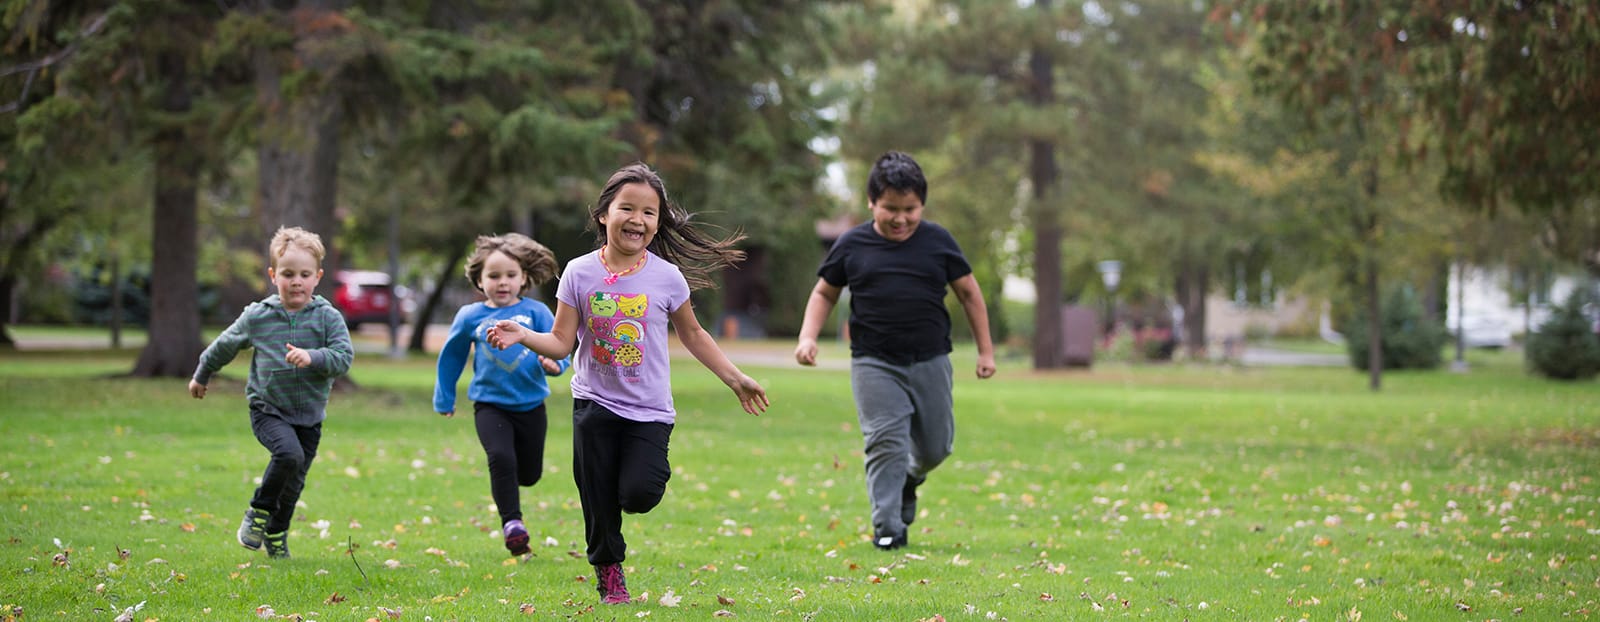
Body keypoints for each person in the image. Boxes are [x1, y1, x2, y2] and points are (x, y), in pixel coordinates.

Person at [486, 163, 769, 605]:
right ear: (604, 214)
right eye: (627, 208)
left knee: (638, 493)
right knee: (596, 495)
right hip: (594, 403)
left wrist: (735, 378)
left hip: (649, 409)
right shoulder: (579, 273)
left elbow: (693, 334)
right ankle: (610, 575)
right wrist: (523, 336)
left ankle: (623, 492)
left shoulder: (666, 277)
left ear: (658, 223)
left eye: (650, 213)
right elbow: (561, 342)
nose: (638, 219)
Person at [793, 150, 996, 551]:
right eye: (890, 208)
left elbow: (970, 293)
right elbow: (824, 292)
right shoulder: (852, 244)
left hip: (930, 358)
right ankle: (888, 528)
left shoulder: (938, 242)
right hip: (874, 361)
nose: (900, 218)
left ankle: (909, 478)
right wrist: (807, 337)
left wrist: (986, 352)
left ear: (922, 205)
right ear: (871, 203)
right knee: (885, 440)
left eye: (910, 209)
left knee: (938, 446)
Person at [189, 226, 354, 559]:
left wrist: (313, 356)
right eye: (288, 273)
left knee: (294, 485)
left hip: (309, 416)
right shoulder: (258, 317)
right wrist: (202, 374)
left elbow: (344, 357)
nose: (296, 281)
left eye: (304, 274)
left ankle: (277, 533)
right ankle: (258, 511)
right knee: (288, 456)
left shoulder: (327, 318)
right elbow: (224, 346)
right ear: (273, 274)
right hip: (269, 409)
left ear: (317, 277)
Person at [433, 233, 569, 557]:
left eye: (510, 275)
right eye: (493, 276)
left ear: (524, 278)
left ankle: (513, 490)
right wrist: (444, 397)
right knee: (501, 458)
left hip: (532, 405)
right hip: (490, 405)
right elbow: (451, 356)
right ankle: (513, 525)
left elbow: (559, 344)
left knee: (530, 474)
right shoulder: (470, 316)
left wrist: (556, 364)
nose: (502, 282)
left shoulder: (536, 312)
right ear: (479, 280)